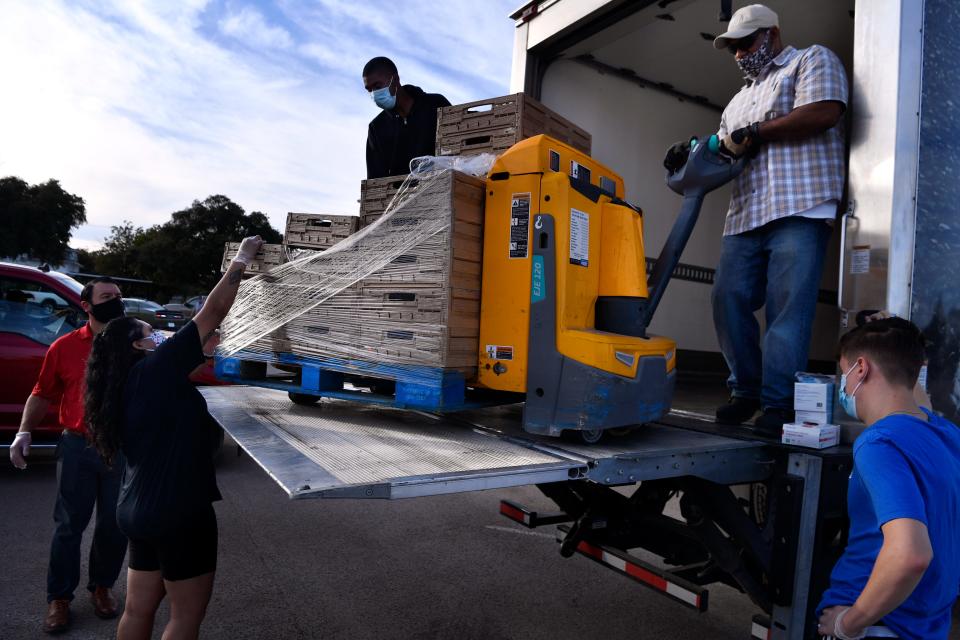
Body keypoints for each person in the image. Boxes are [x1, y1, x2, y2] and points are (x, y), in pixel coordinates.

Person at [680, 4, 848, 433]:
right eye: (733, 48)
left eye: (746, 43)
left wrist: (756, 132)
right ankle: (745, 390)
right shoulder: (737, 101)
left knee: (786, 309)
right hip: (745, 215)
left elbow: (824, 112)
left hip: (801, 206)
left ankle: (778, 404)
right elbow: (721, 148)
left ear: (772, 34)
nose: (739, 54)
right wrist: (690, 152)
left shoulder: (810, 59)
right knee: (727, 298)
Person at [83, 235, 262, 640]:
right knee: (184, 618)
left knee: (137, 609)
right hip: (180, 513)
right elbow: (213, 310)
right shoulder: (155, 368)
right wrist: (241, 258)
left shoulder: (119, 386)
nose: (160, 338)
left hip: (136, 513)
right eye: (152, 333)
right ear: (139, 344)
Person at [816, 318, 960, 639]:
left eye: (844, 373)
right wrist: (898, 337)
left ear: (861, 369)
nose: (843, 386)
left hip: (879, 622)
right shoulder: (947, 434)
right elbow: (915, 398)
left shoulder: (879, 444)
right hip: (927, 623)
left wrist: (848, 623)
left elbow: (911, 555)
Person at [9, 276, 128, 633]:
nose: (116, 301)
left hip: (120, 449)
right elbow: (42, 392)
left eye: (119, 296)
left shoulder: (137, 341)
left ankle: (102, 588)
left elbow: (167, 362)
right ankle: (59, 598)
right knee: (68, 527)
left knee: (113, 525)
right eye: (107, 297)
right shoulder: (64, 347)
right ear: (87, 306)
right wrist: (23, 431)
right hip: (77, 446)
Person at [363, 56, 450, 179]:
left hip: (442, 190)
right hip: (402, 198)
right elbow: (375, 182)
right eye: (369, 90)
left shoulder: (435, 105)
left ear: (395, 79)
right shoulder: (377, 127)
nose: (374, 94)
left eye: (377, 87)